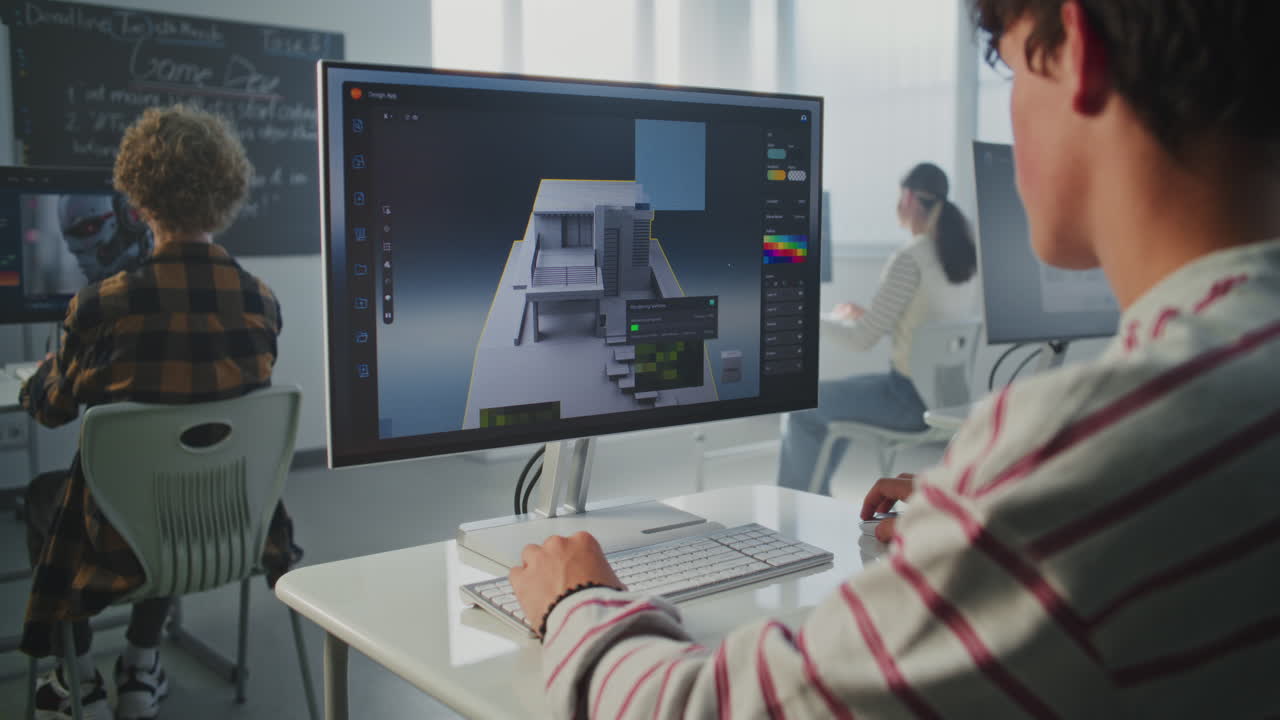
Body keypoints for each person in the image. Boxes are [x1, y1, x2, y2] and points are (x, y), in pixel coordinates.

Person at [508, 1, 1280, 716]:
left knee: (810, 408)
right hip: (937, 414)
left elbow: (707, 708)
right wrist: (988, 515)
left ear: (1077, 53)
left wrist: (575, 599)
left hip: (898, 399)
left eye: (1009, 71)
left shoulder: (1086, 447)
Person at [20, 105, 299, 720]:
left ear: (137, 202)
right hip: (232, 527)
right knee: (172, 484)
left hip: (119, 541)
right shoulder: (262, 302)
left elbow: (50, 410)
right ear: (226, 194)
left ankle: (81, 677)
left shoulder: (99, 307)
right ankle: (141, 665)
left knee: (47, 496)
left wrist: (41, 375)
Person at [777, 162, 977, 495]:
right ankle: (816, 496)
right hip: (945, 398)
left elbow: (860, 340)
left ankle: (791, 505)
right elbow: (928, 324)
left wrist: (804, 315)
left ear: (909, 197)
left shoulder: (910, 256)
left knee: (803, 405)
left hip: (905, 399)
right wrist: (872, 314)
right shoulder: (959, 254)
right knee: (829, 411)